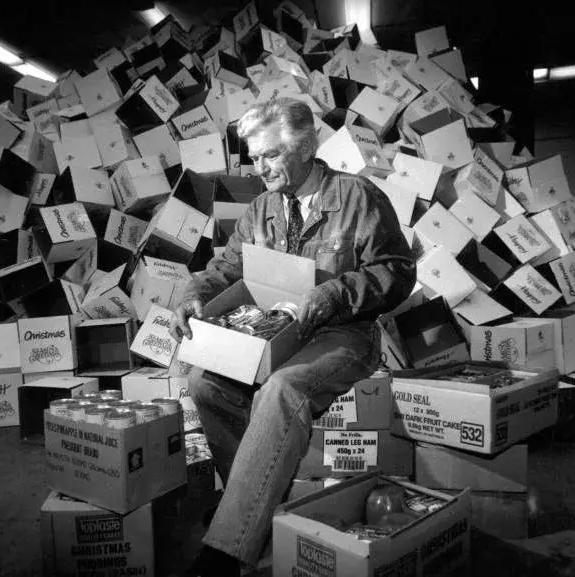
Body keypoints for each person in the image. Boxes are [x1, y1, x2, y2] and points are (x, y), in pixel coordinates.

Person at [169, 97, 417, 577]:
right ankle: (248, 507)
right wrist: (193, 292)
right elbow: (226, 268)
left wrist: (338, 292)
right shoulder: (262, 207)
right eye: (255, 158)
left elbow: (398, 272)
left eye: (271, 156)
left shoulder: (356, 197)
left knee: (282, 389)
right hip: (277, 332)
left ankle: (227, 546)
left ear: (303, 148)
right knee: (204, 384)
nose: (260, 168)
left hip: (343, 333)